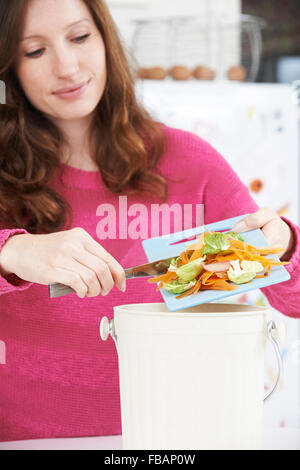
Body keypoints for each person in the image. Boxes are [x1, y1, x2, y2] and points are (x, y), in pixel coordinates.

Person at [0, 0, 299, 443]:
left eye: (80, 37)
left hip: (182, 435)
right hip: (29, 437)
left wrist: (284, 247)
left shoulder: (189, 161)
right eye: (34, 51)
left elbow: (291, 297)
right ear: (9, 67)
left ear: (106, 41)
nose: (67, 66)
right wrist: (12, 251)